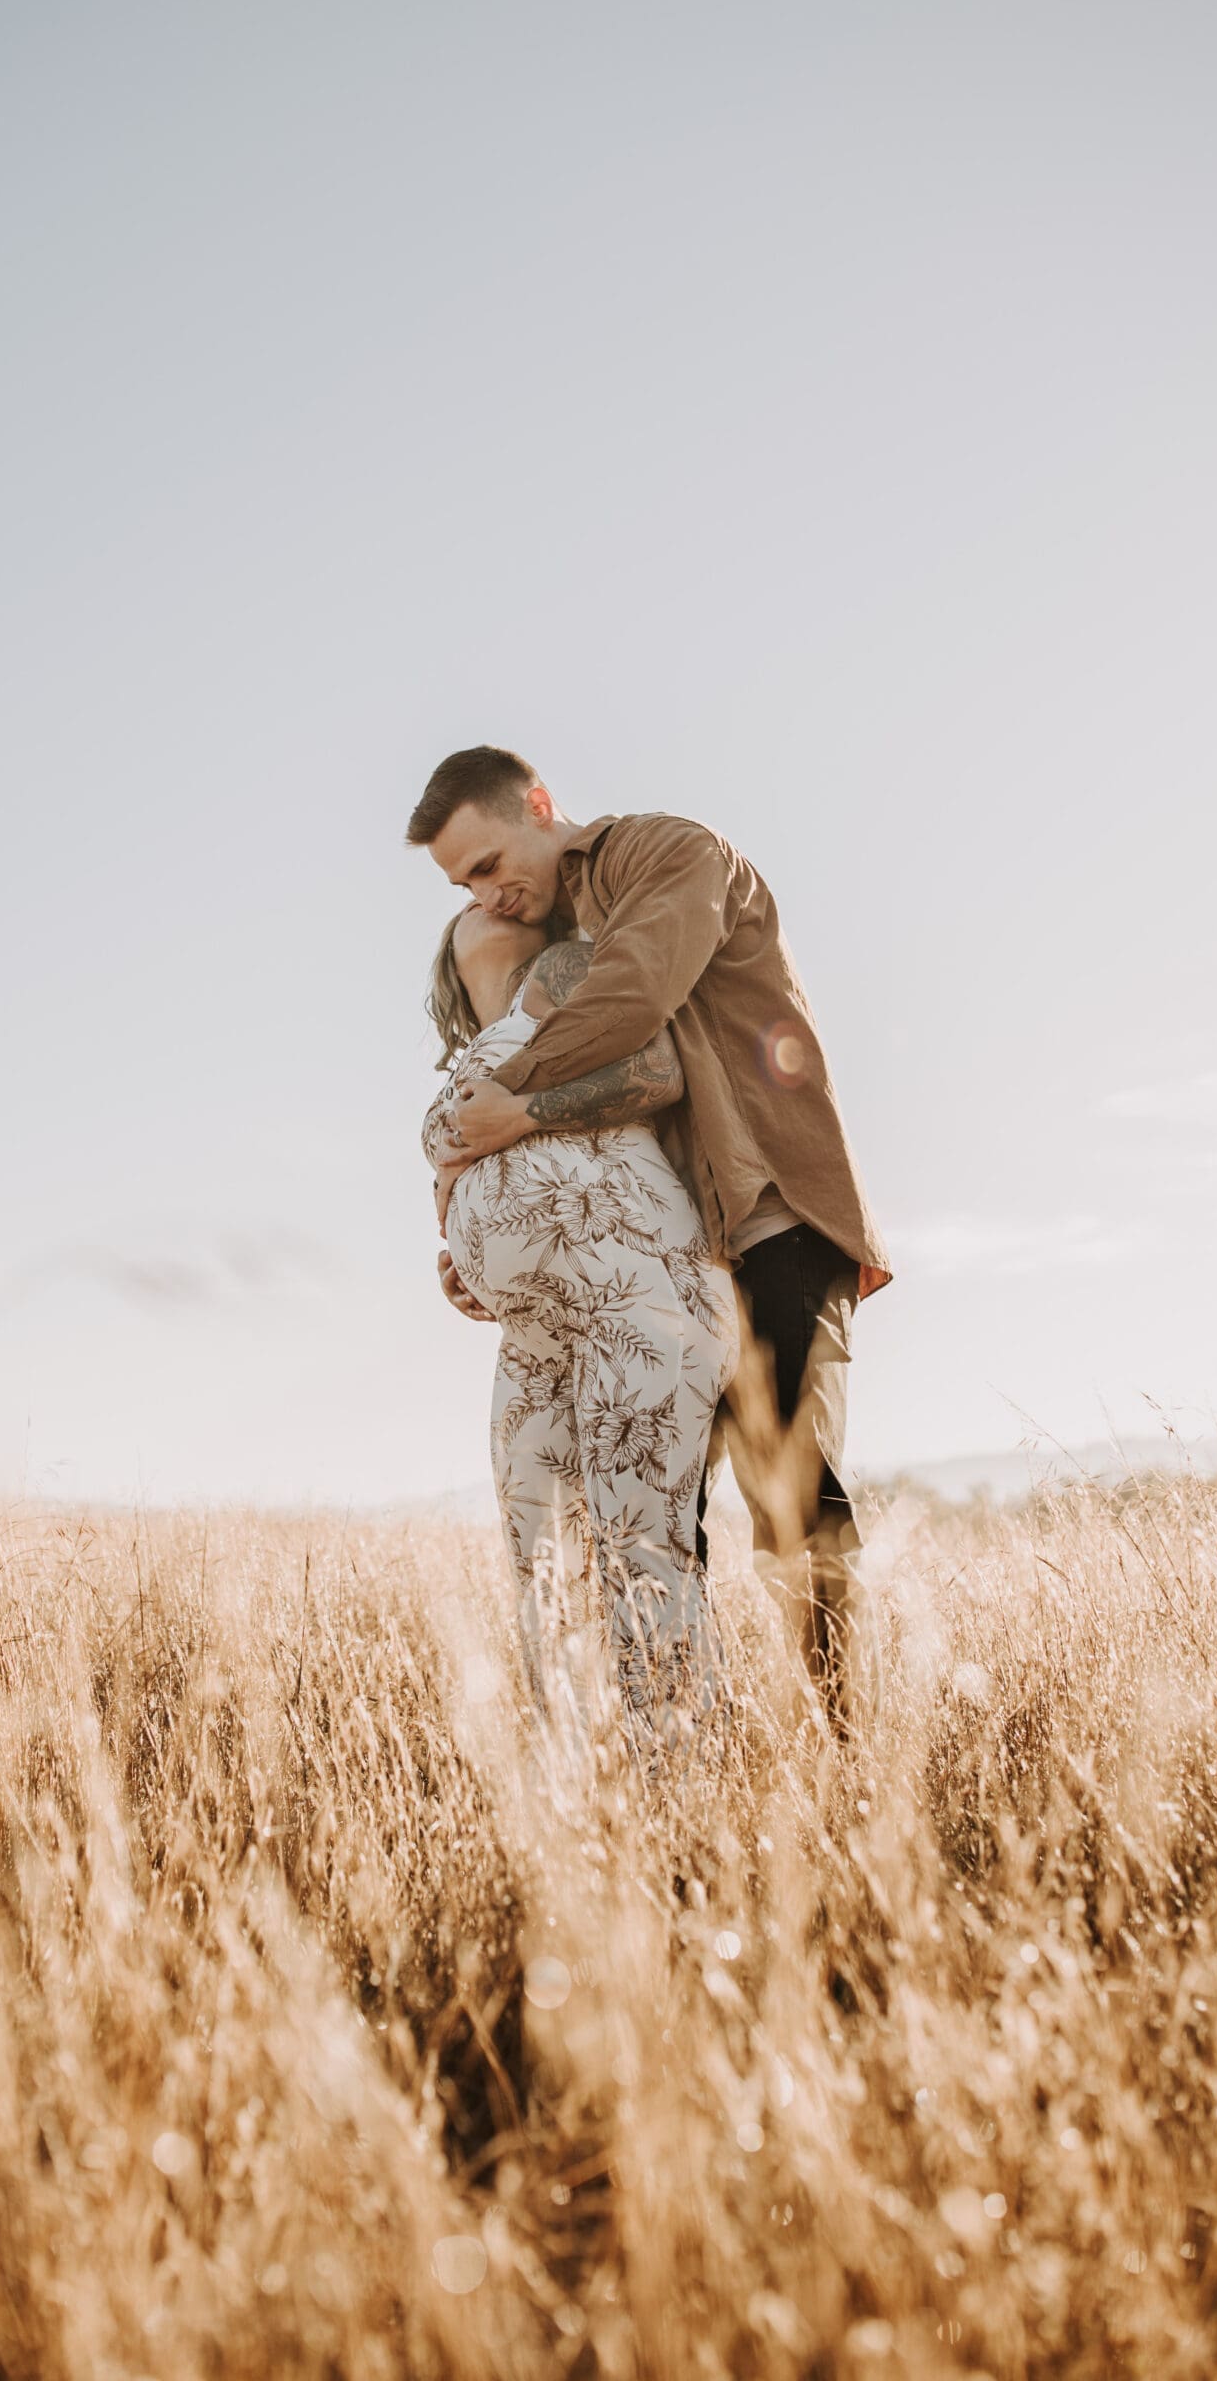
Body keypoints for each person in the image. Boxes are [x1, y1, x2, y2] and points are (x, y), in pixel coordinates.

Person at [410, 744, 891, 1724]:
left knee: (791, 1493)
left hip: (772, 1218)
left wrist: (506, 1106)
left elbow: (633, 1004)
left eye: (493, 864)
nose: (490, 893)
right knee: (659, 1517)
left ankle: (848, 1756)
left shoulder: (666, 855)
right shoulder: (557, 932)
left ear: (540, 805)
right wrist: (484, 1250)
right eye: (466, 885)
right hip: (686, 1258)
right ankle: (694, 1756)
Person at [421, 901, 738, 1752]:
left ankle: (682, 1783)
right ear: (451, 974)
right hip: (534, 1333)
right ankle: (579, 1789)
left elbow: (657, 1071)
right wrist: (470, 1260)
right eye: (467, 914)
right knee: (542, 1570)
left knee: (644, 1557)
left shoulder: (563, 973)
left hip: (638, 1299)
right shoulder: (477, 1053)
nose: (485, 903)